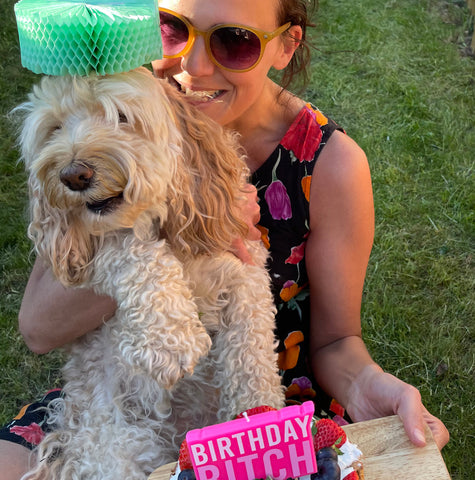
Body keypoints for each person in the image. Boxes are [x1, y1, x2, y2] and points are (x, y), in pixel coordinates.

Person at [0, 0, 449, 477]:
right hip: (124, 395)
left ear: (284, 45)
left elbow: (337, 340)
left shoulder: (329, 164)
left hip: (263, 401)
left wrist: (366, 385)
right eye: (173, 31)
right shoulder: (105, 111)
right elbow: (39, 328)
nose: (194, 68)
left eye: (235, 42)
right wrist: (188, 232)